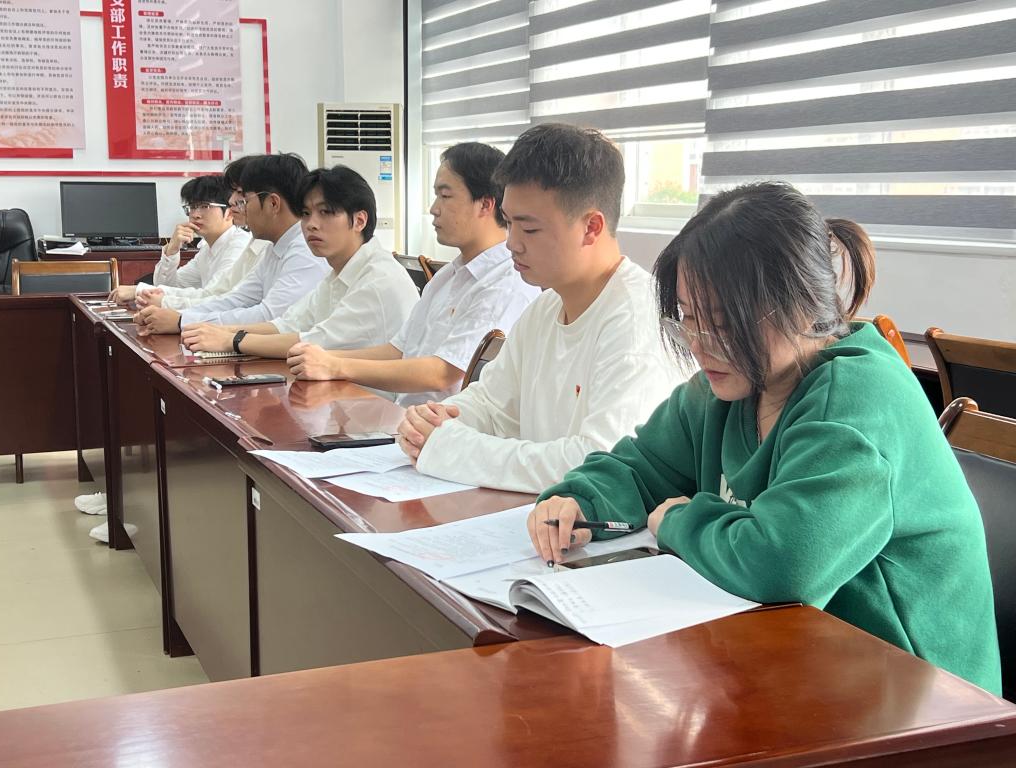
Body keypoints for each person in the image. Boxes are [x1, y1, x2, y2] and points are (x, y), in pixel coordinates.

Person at [527, 181, 1001, 695]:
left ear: (802, 306)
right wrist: (579, 500)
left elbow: (783, 564)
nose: (700, 345)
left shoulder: (857, 402)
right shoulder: (726, 386)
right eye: (688, 320)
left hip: (923, 698)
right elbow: (640, 466)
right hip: (798, 666)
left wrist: (678, 521)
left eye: (724, 323)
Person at [396, 124, 684, 493]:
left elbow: (599, 465)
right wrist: (437, 422)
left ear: (591, 227)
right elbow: (493, 404)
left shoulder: (636, 321)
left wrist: (448, 448)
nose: (512, 244)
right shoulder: (546, 306)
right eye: (508, 223)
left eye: (529, 230)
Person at [287, 142, 540, 406]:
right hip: (405, 418)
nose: (434, 208)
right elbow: (398, 350)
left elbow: (442, 373)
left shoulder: (505, 282)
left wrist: (335, 366)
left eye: (445, 196)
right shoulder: (448, 276)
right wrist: (325, 359)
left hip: (443, 427)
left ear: (485, 205)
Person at [180, 165, 418, 359]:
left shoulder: (377, 278)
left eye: (325, 212)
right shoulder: (338, 273)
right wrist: (218, 331)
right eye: (305, 214)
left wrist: (231, 340)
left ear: (359, 221)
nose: (311, 224)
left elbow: (314, 341)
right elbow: (288, 324)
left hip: (376, 400)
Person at [133, 153, 329, 335]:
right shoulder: (274, 247)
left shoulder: (305, 249)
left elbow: (270, 317)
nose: (235, 204)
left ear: (273, 204)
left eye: (244, 199)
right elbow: (236, 299)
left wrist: (181, 320)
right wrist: (179, 316)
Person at [135, 155, 270, 311]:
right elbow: (170, 285)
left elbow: (219, 297)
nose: (195, 215)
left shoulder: (240, 244)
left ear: (229, 212)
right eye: (192, 207)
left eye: (205, 206)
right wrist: (172, 250)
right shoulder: (207, 248)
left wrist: (144, 293)